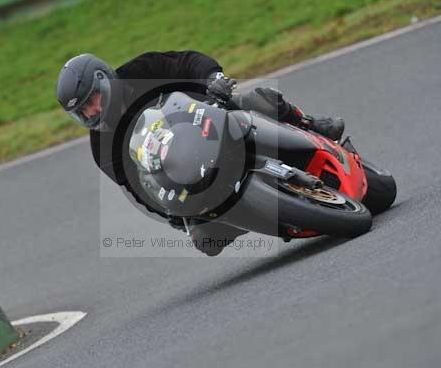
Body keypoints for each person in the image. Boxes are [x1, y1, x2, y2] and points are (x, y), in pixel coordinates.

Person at [55, 51, 344, 256]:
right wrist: (168, 210)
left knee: (259, 99)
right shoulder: (101, 147)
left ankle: (308, 124)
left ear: (103, 78)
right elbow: (137, 186)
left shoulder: (141, 70)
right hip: (186, 177)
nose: (91, 111)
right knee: (205, 241)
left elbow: (188, 61)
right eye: (82, 110)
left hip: (213, 122)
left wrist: (212, 78)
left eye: (92, 99)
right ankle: (278, 218)